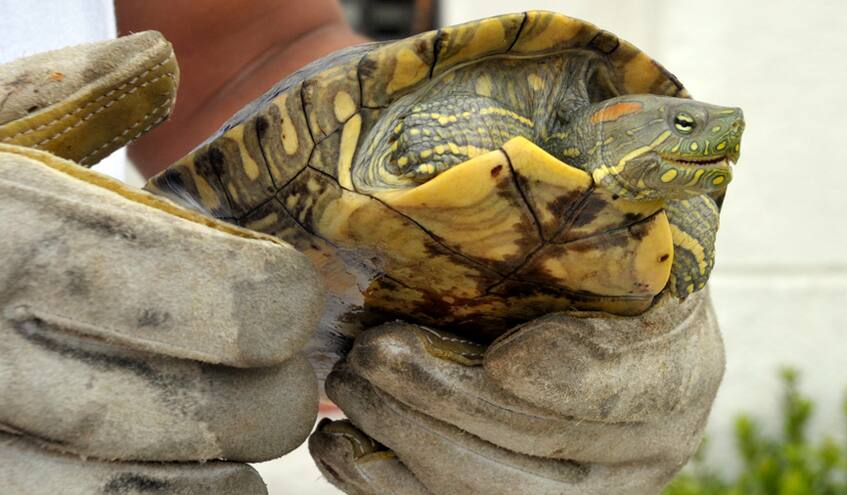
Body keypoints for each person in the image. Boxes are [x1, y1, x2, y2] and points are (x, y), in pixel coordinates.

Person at [0, 2, 725, 493]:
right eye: (683, 128)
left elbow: (262, 52)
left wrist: (670, 303)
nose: (722, 134)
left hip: (90, 326)